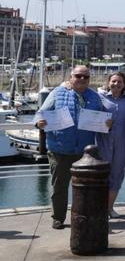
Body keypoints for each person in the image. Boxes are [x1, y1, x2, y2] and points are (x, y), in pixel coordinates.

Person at [35, 65, 109, 229]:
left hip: (85, 153)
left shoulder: (95, 97)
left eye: (85, 77)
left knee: (86, 189)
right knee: (59, 187)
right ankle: (58, 218)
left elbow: (104, 119)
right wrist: (38, 122)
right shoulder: (57, 93)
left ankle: (84, 217)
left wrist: (108, 124)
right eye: (78, 76)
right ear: (71, 77)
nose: (82, 79)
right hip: (59, 150)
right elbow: (40, 113)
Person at [97, 72, 125, 219]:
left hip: (122, 143)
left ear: (124, 84)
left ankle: (109, 209)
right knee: (101, 177)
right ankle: (99, 209)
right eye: (113, 81)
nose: (116, 84)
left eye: (119, 82)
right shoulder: (99, 98)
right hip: (103, 143)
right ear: (108, 82)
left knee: (117, 176)